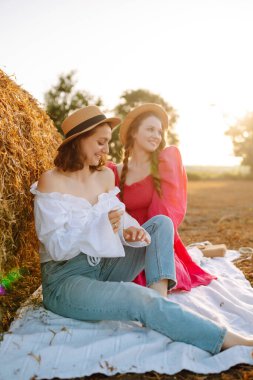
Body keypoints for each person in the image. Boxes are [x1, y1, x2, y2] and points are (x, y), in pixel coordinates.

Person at [31, 105, 253, 354]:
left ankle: (159, 297)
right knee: (137, 298)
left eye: (108, 143)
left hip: (103, 266)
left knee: (160, 224)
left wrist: (131, 231)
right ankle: (223, 339)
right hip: (66, 281)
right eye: (101, 142)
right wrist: (101, 226)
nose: (106, 150)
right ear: (79, 141)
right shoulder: (51, 181)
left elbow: (120, 215)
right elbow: (57, 248)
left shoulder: (103, 176)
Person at [108, 103, 215, 291]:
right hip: (124, 245)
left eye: (159, 132)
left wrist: (144, 242)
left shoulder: (166, 162)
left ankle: (160, 301)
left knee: (150, 277)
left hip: (155, 243)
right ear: (134, 133)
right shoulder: (113, 171)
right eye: (150, 129)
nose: (157, 136)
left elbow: (166, 215)